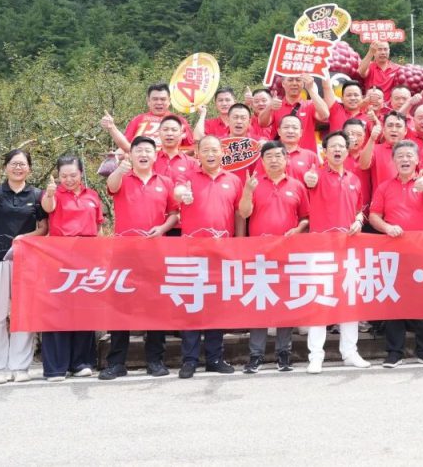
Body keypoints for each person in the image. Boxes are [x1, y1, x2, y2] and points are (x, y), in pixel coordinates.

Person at [102, 136, 179, 379]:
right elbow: (112, 186)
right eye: (139, 150)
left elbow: (174, 214)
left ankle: (155, 360)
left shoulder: (165, 182)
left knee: (156, 306)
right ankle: (116, 362)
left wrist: (162, 228)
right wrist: (120, 169)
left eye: (148, 150)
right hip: (124, 253)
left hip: (155, 252)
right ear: (131, 155)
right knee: (120, 306)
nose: (143, 154)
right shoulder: (122, 177)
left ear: (155, 156)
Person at [173, 136, 245, 377]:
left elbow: (239, 214)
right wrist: (183, 194)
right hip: (191, 252)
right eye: (205, 150)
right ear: (198, 153)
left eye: (214, 150)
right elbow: (178, 191)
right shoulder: (188, 177)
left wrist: (239, 245)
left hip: (221, 252)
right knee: (192, 305)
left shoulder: (233, 180)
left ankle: (215, 357)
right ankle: (190, 360)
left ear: (222, 152)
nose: (210, 154)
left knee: (216, 306)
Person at [237, 140, 311, 373]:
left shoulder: (297, 186)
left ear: (286, 159)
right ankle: (256, 354)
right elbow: (244, 213)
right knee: (260, 303)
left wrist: (298, 229)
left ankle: (283, 352)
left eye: (279, 155)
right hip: (259, 254)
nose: (274, 160)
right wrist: (247, 191)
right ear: (262, 160)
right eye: (269, 156)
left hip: (288, 253)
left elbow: (306, 217)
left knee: (284, 302)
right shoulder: (253, 184)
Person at [0, 149, 49, 385]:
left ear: (29, 168)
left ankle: (20, 365)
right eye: (14, 164)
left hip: (26, 261)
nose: (18, 168)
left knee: (23, 314)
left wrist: (24, 238)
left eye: (23, 164)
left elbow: (44, 228)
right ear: (6, 167)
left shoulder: (36, 195)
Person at [303, 130, 372, 372]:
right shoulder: (316, 176)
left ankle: (350, 352)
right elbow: (308, 181)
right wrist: (309, 178)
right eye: (333, 146)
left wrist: (359, 220)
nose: (338, 149)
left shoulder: (354, 179)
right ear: (325, 151)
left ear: (348, 150)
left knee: (349, 301)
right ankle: (316, 355)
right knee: (320, 303)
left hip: (348, 249)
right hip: (321, 250)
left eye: (342, 146)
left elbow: (359, 210)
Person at [368, 141, 423, 368]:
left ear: (417, 160)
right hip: (394, 251)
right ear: (393, 160)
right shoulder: (384, 187)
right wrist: (387, 227)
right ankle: (394, 352)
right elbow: (374, 215)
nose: (405, 159)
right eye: (400, 156)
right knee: (394, 300)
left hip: (422, 251)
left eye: (409, 155)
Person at [39, 155, 103, 381]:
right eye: (63, 176)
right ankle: (56, 367)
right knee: (58, 311)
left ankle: (80, 362)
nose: (68, 179)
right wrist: (49, 193)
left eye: (73, 175)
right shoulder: (53, 194)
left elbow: (98, 227)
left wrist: (102, 256)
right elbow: (48, 207)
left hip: (87, 258)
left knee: (83, 310)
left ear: (81, 173)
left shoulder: (92, 195)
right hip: (60, 259)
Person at [100, 83, 195, 151]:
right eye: (155, 99)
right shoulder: (138, 120)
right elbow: (125, 145)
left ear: (169, 101)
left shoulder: (180, 121)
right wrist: (112, 128)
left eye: (163, 99)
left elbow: (191, 149)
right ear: (148, 101)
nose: (159, 102)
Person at [257, 74, 329, 151]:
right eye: (290, 80)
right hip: (280, 155)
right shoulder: (276, 105)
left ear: (303, 83)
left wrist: (310, 89)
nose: (294, 83)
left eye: (298, 80)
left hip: (306, 155)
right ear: (283, 83)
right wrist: (269, 107)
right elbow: (262, 123)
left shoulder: (310, 105)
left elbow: (325, 115)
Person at [359, 111, 408, 189]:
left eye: (398, 126)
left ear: (405, 130)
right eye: (390, 125)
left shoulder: (412, 151)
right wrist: (372, 139)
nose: (394, 129)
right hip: (381, 196)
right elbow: (363, 165)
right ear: (384, 130)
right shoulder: (375, 149)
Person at [153, 115, 199, 185]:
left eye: (174, 130)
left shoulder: (192, 163)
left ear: (181, 133)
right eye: (165, 129)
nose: (169, 133)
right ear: (159, 132)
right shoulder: (150, 160)